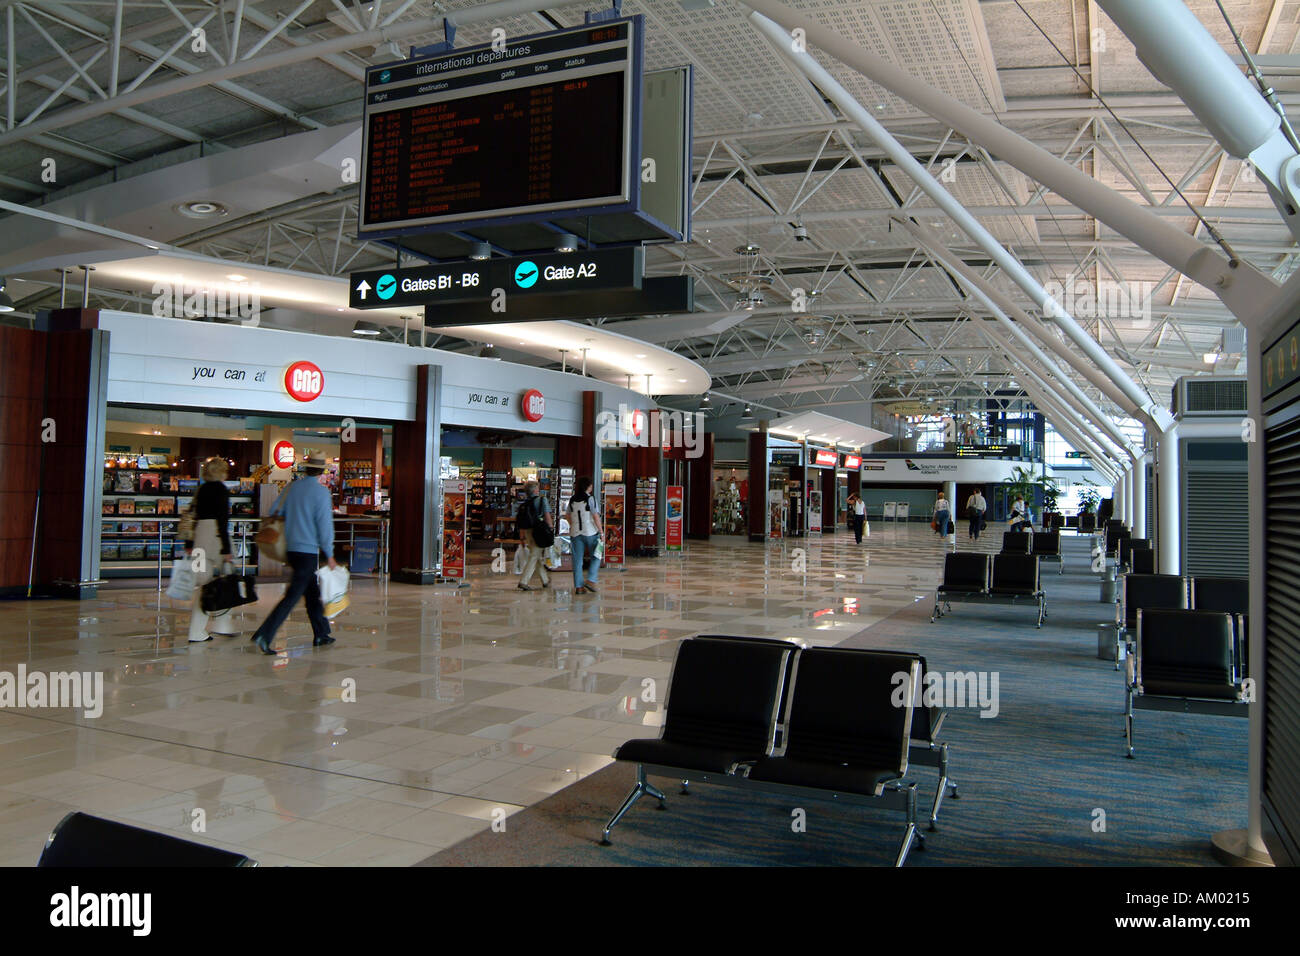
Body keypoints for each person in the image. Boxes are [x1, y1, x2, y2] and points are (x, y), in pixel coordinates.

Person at [250, 452, 338, 655]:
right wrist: (330, 554)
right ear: (322, 471)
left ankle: (321, 633)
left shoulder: (292, 487)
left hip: (290, 549)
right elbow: (324, 526)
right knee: (292, 596)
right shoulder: (321, 493)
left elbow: (275, 509)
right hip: (308, 551)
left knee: (312, 593)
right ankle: (265, 634)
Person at [185, 457, 238, 642]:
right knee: (228, 580)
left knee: (202, 586)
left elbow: (191, 517)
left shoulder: (201, 490)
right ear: (221, 472)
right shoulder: (221, 490)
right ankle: (222, 623)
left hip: (199, 538)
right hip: (216, 538)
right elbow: (223, 521)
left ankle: (196, 631)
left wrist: (189, 544)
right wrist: (227, 549)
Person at [566, 476, 603, 594]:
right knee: (596, 556)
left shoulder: (572, 499)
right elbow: (595, 516)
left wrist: (573, 525)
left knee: (577, 561)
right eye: (590, 485)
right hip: (590, 532)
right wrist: (601, 532)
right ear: (587, 486)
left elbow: (567, 515)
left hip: (575, 533)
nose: (591, 487)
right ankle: (591, 580)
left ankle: (579, 587)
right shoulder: (590, 499)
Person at [516, 480, 554, 592]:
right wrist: (550, 528)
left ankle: (545, 580)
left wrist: (522, 537)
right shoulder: (542, 500)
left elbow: (521, 522)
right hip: (539, 531)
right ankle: (524, 581)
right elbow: (547, 515)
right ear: (535, 490)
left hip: (528, 531)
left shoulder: (524, 504)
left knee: (535, 555)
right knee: (534, 556)